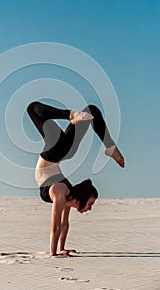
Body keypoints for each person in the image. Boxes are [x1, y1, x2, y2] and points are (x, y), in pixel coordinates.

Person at [27, 101, 125, 257]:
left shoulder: (63, 195)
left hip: (59, 150)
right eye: (90, 204)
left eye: (91, 204)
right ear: (83, 197)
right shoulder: (62, 191)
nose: (90, 208)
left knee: (34, 109)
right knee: (89, 112)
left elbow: (62, 224)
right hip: (57, 150)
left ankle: (72, 117)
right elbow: (56, 226)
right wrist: (54, 253)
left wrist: (60, 250)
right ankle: (109, 146)